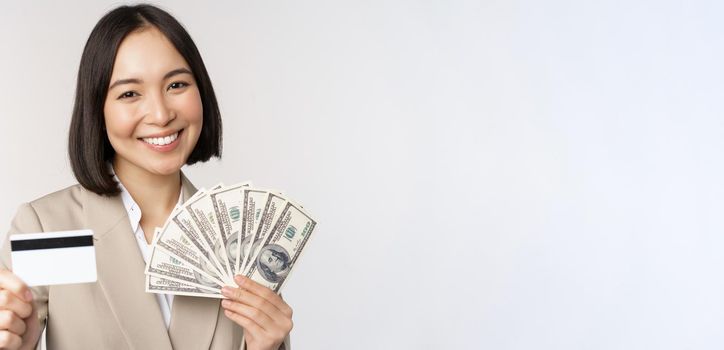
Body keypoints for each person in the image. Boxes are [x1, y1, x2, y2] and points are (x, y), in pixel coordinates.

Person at [0, 4, 292, 350]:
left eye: (177, 84)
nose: (160, 113)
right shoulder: (48, 226)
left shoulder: (240, 240)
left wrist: (268, 347)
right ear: (98, 110)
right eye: (129, 93)